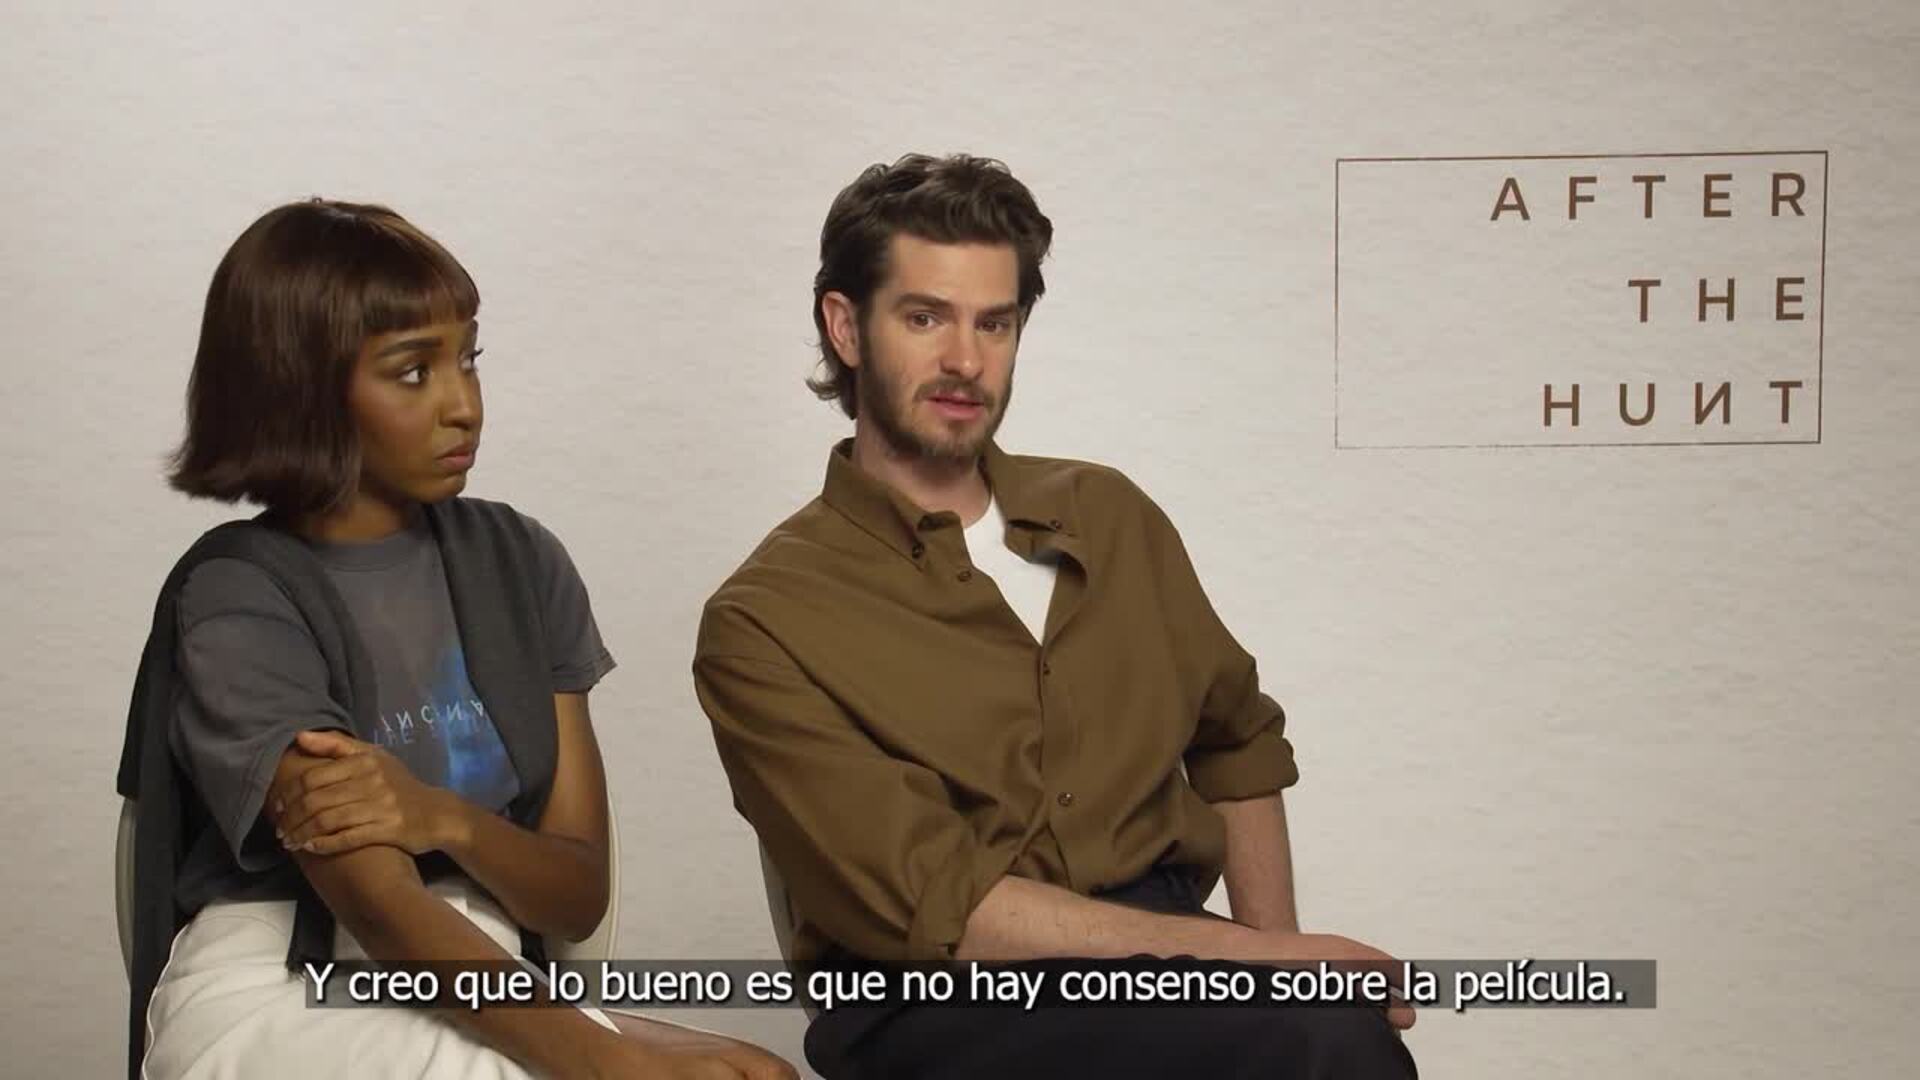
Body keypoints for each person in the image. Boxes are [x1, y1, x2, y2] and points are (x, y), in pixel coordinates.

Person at [693, 154, 1420, 1078]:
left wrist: (1279, 961)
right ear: (846, 327)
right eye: (925, 318)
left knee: (1322, 1031)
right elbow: (938, 905)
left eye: (994, 323)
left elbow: (1237, 741)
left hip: (1165, 960)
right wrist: (1256, 967)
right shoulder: (764, 620)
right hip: (938, 998)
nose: (966, 361)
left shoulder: (1108, 516)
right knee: (1319, 1037)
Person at [119, 198, 795, 1080]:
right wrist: (614, 1065)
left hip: (491, 972)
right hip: (274, 981)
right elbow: (377, 902)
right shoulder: (238, 596)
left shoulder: (521, 562)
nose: (463, 405)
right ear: (301, 386)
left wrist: (439, 815)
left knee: (761, 1076)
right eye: (413, 372)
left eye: (468, 359)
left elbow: (576, 894)